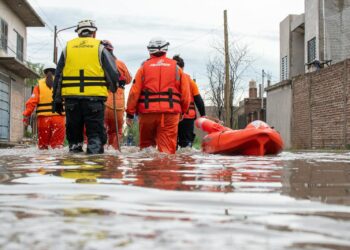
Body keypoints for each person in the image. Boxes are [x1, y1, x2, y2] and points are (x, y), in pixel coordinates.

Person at [52, 20, 119, 154]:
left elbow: (58, 75)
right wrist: (113, 87)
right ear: (93, 33)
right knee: (95, 138)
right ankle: (93, 168)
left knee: (74, 140)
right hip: (94, 101)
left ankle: (74, 169)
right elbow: (113, 74)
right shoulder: (100, 48)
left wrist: (56, 99)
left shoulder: (67, 48)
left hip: (72, 101)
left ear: (78, 33)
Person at [126, 37, 191, 154]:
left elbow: (134, 92)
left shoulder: (143, 68)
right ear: (166, 50)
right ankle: (165, 171)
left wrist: (130, 114)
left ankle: (147, 171)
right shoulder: (177, 68)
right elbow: (186, 94)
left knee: (146, 149)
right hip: (169, 114)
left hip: (147, 113)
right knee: (166, 152)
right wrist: (184, 111)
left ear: (150, 51)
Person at [23, 63, 65, 149]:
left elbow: (32, 102)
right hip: (59, 118)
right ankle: (56, 162)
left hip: (43, 119)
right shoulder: (62, 82)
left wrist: (26, 115)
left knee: (43, 147)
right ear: (56, 71)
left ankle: (43, 162)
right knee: (57, 147)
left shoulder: (39, 85)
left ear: (44, 73)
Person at [101, 40, 132, 150]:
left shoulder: (96, 64)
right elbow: (128, 80)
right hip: (117, 103)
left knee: (99, 132)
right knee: (116, 133)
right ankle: (114, 161)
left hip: (101, 102)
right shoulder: (120, 63)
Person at [172, 55, 206, 148]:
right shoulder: (190, 81)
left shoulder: (168, 80)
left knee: (170, 145)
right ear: (183, 67)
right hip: (187, 117)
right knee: (186, 145)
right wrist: (203, 115)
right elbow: (198, 100)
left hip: (172, 116)